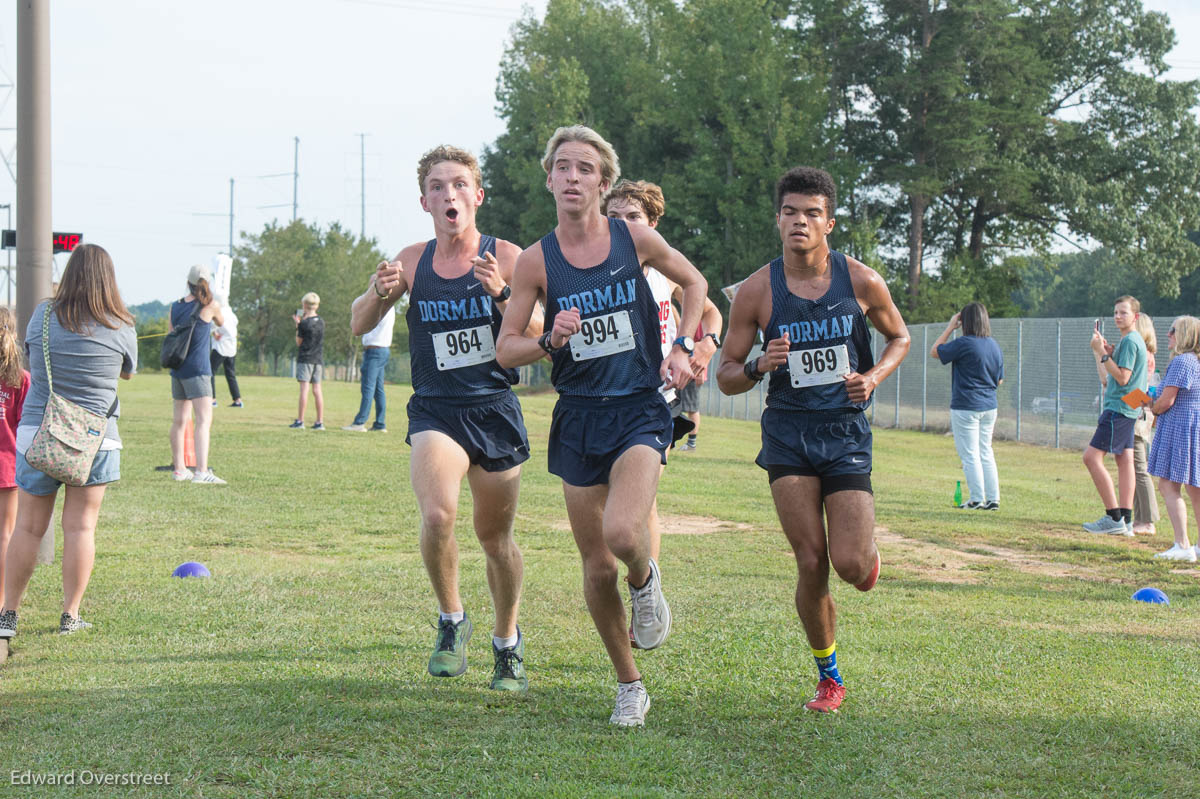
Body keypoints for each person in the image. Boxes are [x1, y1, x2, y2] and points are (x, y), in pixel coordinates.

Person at [497, 126, 707, 727]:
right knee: (594, 566)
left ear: (604, 182)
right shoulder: (537, 260)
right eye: (561, 167)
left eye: (584, 169)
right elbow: (506, 350)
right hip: (578, 414)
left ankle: (645, 578)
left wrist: (685, 344)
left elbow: (695, 284)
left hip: (640, 406)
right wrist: (548, 338)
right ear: (549, 179)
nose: (571, 177)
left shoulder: (633, 237)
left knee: (622, 533)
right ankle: (628, 683)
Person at [716, 166, 910, 714]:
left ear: (829, 222)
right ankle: (829, 675)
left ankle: (866, 556)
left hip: (845, 429)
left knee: (849, 564)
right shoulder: (756, 291)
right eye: (790, 212)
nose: (800, 221)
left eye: (812, 213)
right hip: (788, 432)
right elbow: (726, 376)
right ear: (778, 219)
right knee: (810, 561)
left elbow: (900, 337)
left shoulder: (862, 281)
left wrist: (872, 377)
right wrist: (758, 365)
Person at [352, 144, 540, 693]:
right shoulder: (411, 261)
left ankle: (507, 642)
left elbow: (542, 335)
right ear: (424, 201)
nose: (448, 193)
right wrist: (379, 294)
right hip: (436, 408)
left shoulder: (509, 257)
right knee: (438, 516)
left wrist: (502, 295)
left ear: (477, 196)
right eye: (437, 186)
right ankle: (451, 620)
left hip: (494, 408)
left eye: (458, 184)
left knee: (495, 538)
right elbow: (360, 323)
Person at [601, 178, 723, 647]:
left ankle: (645, 593)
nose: (623, 226)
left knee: (641, 503)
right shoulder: (589, 266)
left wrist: (700, 345)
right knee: (609, 513)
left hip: (654, 399)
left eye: (633, 218)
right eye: (614, 218)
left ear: (651, 224)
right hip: (598, 400)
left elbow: (711, 313)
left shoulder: (665, 272)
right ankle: (637, 581)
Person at [0, 243, 137, 639]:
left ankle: (8, 614)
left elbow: (31, 359)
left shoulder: (43, 315)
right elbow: (127, 374)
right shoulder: (121, 323)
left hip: (39, 431)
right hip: (96, 439)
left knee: (27, 527)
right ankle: (70, 616)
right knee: (80, 529)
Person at [1082, 296, 1148, 536]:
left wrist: (1102, 354)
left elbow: (1122, 378)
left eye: (1123, 312)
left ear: (1135, 317)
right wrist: (1108, 353)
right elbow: (1118, 375)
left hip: (1119, 409)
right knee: (1125, 461)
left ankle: (1114, 517)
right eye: (1115, 312)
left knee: (1091, 457)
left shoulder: (1130, 341)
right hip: (1129, 408)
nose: (1118, 316)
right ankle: (1127, 520)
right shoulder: (1131, 341)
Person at [930, 302, 1003, 510]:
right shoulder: (994, 345)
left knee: (970, 454)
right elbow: (999, 380)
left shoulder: (964, 343)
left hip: (966, 406)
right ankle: (993, 499)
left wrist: (950, 327)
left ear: (965, 321)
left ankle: (976, 499)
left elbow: (935, 351)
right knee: (985, 452)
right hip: (989, 406)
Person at [1146, 316, 1200, 562]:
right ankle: (1195, 545)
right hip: (1192, 427)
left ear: (1185, 335)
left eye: (1173, 330)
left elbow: (1167, 401)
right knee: (1194, 486)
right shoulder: (1195, 361)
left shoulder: (1182, 361)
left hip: (1180, 428)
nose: (1168, 334)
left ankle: (1182, 544)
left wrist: (1152, 407)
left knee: (1168, 484)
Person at [169, 264, 226, 484]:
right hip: (199, 369)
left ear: (189, 282)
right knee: (203, 420)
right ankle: (202, 471)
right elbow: (221, 322)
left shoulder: (175, 307)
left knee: (179, 421)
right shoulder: (210, 305)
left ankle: (180, 469)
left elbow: (171, 334)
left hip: (178, 369)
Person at [0, 308, 29, 608]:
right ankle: (2, 601)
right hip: (7, 469)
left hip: (7, 469)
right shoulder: (21, 381)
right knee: (4, 536)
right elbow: (25, 425)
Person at [1130, 313, 1160, 535]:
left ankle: (1148, 520)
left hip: (1138, 414)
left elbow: (1141, 392)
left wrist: (1123, 401)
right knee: (1133, 467)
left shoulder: (1145, 356)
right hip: (1138, 411)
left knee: (1140, 467)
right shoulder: (1146, 355)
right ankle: (1138, 517)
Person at [342, 305, 395, 433]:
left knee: (368, 388)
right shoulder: (390, 307)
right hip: (382, 350)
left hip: (374, 351)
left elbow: (363, 322)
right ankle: (380, 423)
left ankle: (359, 422)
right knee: (378, 389)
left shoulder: (380, 307)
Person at [290, 292, 325, 430]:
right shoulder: (321, 321)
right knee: (317, 390)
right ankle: (319, 421)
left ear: (304, 305)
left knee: (304, 389)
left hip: (305, 358)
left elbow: (299, 342)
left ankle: (300, 420)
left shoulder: (304, 323)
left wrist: (298, 325)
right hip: (318, 359)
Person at [209, 291, 242, 408]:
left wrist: (214, 333)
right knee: (230, 373)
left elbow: (216, 326)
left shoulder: (220, 311)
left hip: (221, 346)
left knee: (210, 371)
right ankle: (237, 399)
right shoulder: (231, 312)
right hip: (231, 347)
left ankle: (212, 399)